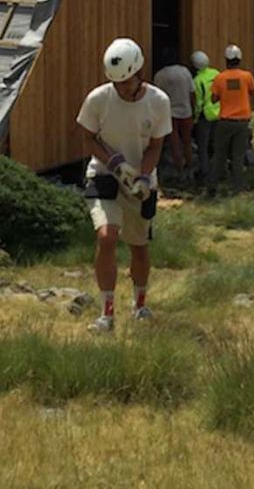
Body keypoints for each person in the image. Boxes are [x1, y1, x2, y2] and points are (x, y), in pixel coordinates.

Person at [77, 37, 171, 333]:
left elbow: (156, 145)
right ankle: (107, 313)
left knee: (139, 245)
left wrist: (142, 176)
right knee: (107, 235)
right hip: (104, 175)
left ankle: (140, 304)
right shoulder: (98, 99)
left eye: (127, 83)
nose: (122, 89)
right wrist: (112, 161)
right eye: (117, 84)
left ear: (138, 73)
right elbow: (87, 135)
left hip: (140, 182)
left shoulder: (158, 102)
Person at [208, 43, 254, 193]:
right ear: (240, 59)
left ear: (226, 60)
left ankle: (213, 186)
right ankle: (238, 187)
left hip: (225, 121)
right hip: (243, 121)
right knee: (238, 155)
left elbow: (214, 99)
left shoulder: (220, 78)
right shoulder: (247, 76)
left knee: (219, 155)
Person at [153, 51, 195, 185]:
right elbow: (192, 92)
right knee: (187, 140)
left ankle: (180, 169)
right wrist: (193, 109)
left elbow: (156, 96)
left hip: (170, 112)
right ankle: (190, 167)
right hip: (185, 110)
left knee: (174, 141)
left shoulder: (159, 75)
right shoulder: (184, 71)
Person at [190, 50, 220, 182]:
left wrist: (195, 118)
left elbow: (198, 102)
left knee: (203, 147)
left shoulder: (197, 80)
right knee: (216, 145)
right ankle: (219, 170)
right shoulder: (216, 74)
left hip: (205, 116)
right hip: (219, 113)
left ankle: (205, 173)